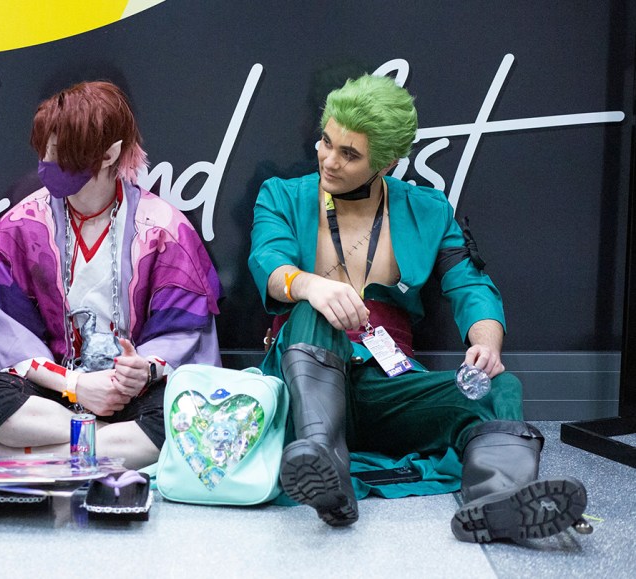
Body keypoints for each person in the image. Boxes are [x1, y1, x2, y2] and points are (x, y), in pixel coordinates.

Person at [248, 74, 588, 542]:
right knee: (313, 311)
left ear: (387, 163)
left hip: (388, 385)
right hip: (303, 381)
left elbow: (471, 284)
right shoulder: (281, 196)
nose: (328, 159)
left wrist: (486, 345)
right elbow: (269, 262)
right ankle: (324, 460)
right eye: (326, 141)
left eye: (349, 154)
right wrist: (310, 286)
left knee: (497, 387)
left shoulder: (428, 210)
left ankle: (498, 499)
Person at [0, 81, 222, 469]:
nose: (46, 162)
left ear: (110, 154)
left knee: (185, 415)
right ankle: (105, 442)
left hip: (134, 393)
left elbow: (182, 337)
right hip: (56, 392)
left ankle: (13, 456)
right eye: (44, 151)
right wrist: (76, 385)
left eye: (60, 154)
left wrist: (141, 371)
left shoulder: (165, 230)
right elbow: (10, 339)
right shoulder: (21, 226)